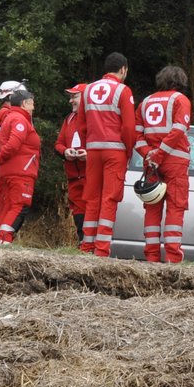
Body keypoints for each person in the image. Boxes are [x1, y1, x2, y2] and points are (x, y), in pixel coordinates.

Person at [80, 53, 137, 257]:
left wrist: (89, 144)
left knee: (92, 196)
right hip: (115, 150)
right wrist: (129, 150)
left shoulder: (87, 90)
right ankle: (102, 249)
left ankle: (87, 245)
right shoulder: (123, 90)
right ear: (123, 69)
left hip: (93, 149)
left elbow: (81, 125)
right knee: (109, 198)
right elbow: (129, 127)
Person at [137, 65, 193, 263]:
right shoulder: (180, 100)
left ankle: (151, 256)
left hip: (151, 163)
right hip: (175, 161)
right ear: (180, 81)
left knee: (152, 207)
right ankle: (172, 258)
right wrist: (160, 154)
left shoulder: (145, 102)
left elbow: (136, 134)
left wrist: (149, 154)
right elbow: (178, 130)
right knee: (175, 207)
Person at [0, 88, 40, 245]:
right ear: (24, 103)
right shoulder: (19, 119)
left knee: (8, 206)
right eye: (32, 103)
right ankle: (4, 239)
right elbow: (13, 144)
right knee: (20, 205)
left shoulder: (10, 117)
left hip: (9, 170)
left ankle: (0, 239)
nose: (34, 107)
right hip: (20, 171)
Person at [53, 83, 89, 243]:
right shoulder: (69, 119)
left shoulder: (94, 118)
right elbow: (58, 144)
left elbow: (102, 144)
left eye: (74, 96)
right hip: (73, 176)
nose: (71, 101)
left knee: (91, 211)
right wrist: (65, 152)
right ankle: (83, 243)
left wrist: (89, 154)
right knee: (78, 212)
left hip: (90, 175)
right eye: (70, 97)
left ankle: (90, 245)